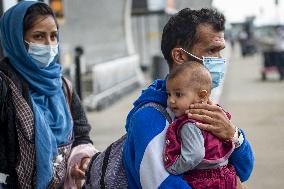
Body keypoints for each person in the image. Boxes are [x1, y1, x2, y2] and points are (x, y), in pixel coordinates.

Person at [123, 8, 254, 189]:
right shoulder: (149, 118)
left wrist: (234, 136)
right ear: (180, 56)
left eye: (220, 51)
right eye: (212, 50)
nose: (220, 59)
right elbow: (162, 184)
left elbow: (243, 171)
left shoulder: (203, 106)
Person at [0, 1, 97, 188]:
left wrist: (82, 162)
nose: (49, 45)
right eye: (38, 36)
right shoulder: (5, 86)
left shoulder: (62, 85)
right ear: (17, 39)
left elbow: (81, 135)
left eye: (53, 36)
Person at [164, 61, 237, 188]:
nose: (171, 100)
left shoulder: (189, 124)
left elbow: (194, 155)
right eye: (168, 94)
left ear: (201, 96)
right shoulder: (215, 115)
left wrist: (174, 168)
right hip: (226, 175)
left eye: (178, 94)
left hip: (204, 180)